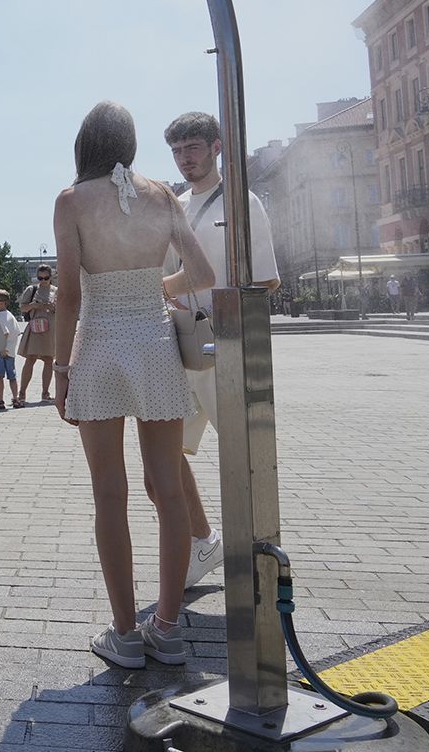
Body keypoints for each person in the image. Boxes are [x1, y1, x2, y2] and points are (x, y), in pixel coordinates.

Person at [59, 102, 217, 670]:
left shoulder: (73, 200)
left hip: (99, 345)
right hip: (154, 344)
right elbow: (203, 275)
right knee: (169, 488)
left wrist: (59, 370)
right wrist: (154, 285)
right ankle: (168, 630)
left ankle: (124, 633)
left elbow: (70, 296)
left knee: (110, 492)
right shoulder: (163, 195)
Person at [166, 110, 280, 595]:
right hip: (179, 341)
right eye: (177, 149)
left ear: (216, 146)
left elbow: (266, 277)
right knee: (166, 452)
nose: (184, 157)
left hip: (225, 341)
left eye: (193, 147)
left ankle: (254, 552)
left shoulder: (241, 202)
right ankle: (203, 541)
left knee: (242, 454)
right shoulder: (173, 203)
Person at [16, 264, 58, 404]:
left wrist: (53, 307)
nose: (43, 280)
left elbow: (61, 309)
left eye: (46, 277)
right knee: (30, 359)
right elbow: (22, 307)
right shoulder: (32, 289)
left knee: (48, 360)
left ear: (50, 277)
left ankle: (45, 393)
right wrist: (35, 305)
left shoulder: (56, 291)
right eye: (40, 277)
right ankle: (21, 393)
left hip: (51, 329)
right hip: (35, 328)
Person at [0, 290, 21, 410]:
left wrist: (1, 348)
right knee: (12, 376)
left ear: (2, 303)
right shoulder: (10, 315)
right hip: (10, 352)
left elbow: (5, 333)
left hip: (0, 352)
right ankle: (15, 399)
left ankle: (0, 400)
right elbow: (17, 332)